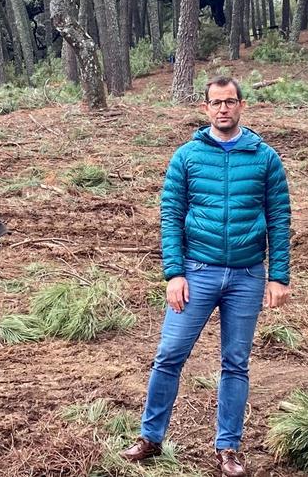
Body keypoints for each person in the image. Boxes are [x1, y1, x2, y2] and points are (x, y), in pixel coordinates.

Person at [120, 75, 291, 477]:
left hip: (248, 275)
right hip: (197, 272)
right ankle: (151, 437)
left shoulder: (265, 157)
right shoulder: (187, 157)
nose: (223, 109)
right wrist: (174, 273)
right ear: (206, 108)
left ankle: (228, 449)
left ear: (241, 105)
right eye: (216, 103)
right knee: (169, 355)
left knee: (235, 363)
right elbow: (170, 217)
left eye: (229, 102)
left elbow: (281, 219)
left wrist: (278, 276)